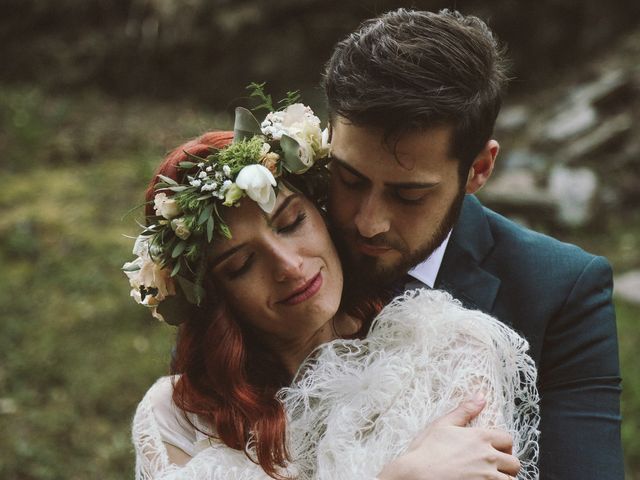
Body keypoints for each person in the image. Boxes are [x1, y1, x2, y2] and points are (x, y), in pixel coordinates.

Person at [125, 102, 539, 479]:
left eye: (291, 224)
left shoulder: (449, 347)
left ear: (321, 211)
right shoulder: (175, 417)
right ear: (215, 295)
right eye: (242, 264)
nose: (288, 265)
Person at [322, 8, 623, 479]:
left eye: (409, 194)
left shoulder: (561, 292)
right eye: (349, 179)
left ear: (480, 169)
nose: (368, 223)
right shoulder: (270, 258)